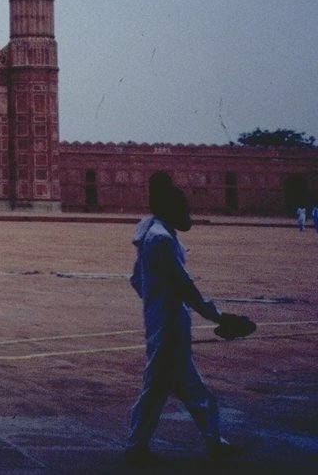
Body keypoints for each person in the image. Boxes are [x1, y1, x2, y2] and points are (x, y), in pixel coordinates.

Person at [124, 174, 239, 465]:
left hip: (160, 319)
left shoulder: (151, 233)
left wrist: (155, 300)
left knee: (183, 386)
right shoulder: (161, 239)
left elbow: (137, 279)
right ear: (169, 210)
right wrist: (217, 315)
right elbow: (184, 284)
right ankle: (137, 446)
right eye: (183, 209)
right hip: (171, 324)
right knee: (160, 388)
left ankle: (214, 441)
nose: (188, 215)